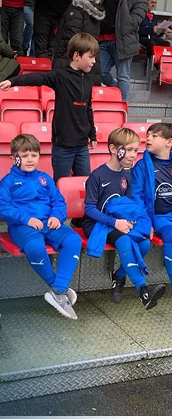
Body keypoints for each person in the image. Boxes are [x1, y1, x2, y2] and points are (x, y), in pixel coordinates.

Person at [0, 134, 82, 320]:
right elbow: (3, 207)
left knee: (74, 239)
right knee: (35, 247)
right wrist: (26, 219)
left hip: (49, 224)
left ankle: (58, 289)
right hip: (22, 226)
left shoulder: (44, 178)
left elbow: (58, 201)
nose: (30, 159)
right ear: (14, 158)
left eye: (34, 155)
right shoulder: (8, 181)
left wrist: (57, 216)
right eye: (25, 155)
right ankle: (57, 289)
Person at [0, 32, 98, 185]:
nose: (94, 61)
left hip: (82, 145)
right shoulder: (60, 76)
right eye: (90, 57)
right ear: (76, 56)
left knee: (85, 184)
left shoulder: (89, 79)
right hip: (63, 146)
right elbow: (36, 78)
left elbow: (88, 108)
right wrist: (13, 81)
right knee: (60, 185)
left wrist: (93, 135)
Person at [83, 127, 166, 308]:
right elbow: (89, 209)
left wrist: (144, 224)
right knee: (124, 241)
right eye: (128, 150)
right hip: (97, 224)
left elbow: (130, 207)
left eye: (136, 150)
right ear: (113, 149)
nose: (132, 155)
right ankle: (143, 289)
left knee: (143, 242)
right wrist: (115, 223)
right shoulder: (98, 175)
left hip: (118, 222)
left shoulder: (127, 176)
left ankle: (119, 276)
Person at [132, 123, 172, 292]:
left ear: (169, 142)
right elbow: (136, 197)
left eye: (154, 136)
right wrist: (145, 222)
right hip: (157, 217)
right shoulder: (142, 166)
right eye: (148, 135)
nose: (148, 138)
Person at [99, 0, 148, 101]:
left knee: (123, 75)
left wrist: (129, 25)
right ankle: (117, 88)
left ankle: (122, 106)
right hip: (103, 40)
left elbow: (135, 20)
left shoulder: (140, 1)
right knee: (100, 73)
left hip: (123, 41)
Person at [53, 0, 106, 86]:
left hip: (71, 64)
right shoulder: (94, 12)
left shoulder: (76, 9)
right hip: (88, 64)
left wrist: (60, 60)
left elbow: (71, 39)